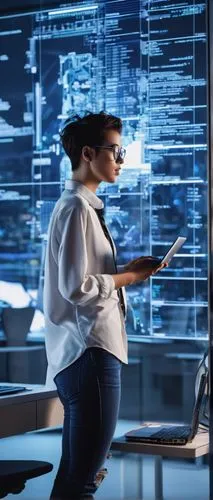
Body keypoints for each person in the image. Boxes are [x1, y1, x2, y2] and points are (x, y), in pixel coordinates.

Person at [43, 111, 166, 499]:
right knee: (81, 483)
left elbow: (82, 278)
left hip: (86, 355)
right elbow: (76, 288)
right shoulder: (77, 208)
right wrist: (129, 278)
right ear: (86, 153)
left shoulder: (81, 206)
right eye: (115, 151)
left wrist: (125, 270)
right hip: (90, 354)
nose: (121, 160)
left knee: (74, 480)